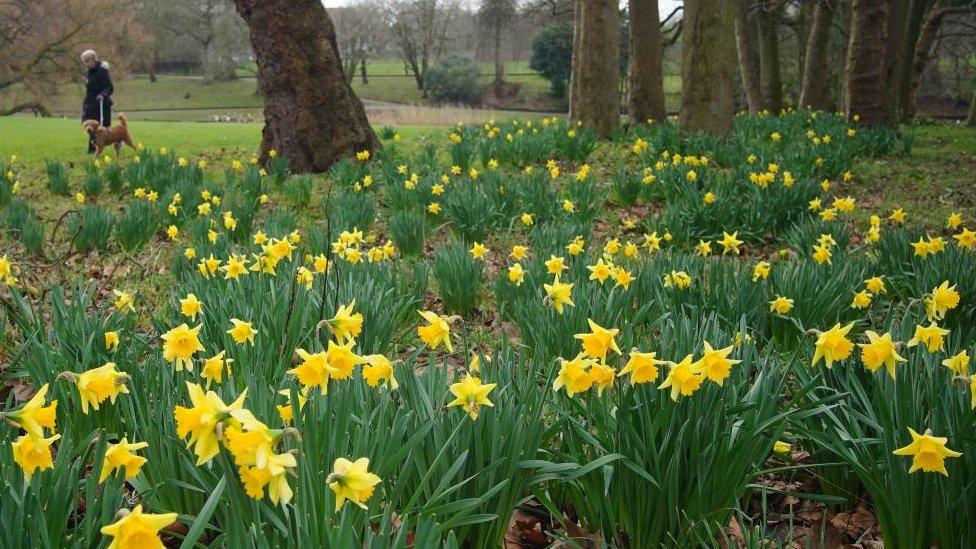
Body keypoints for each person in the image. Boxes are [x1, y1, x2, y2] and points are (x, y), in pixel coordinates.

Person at [81, 50, 114, 154]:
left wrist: (103, 94)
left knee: (100, 127)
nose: (86, 64)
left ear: (93, 60)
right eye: (84, 62)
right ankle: (92, 148)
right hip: (90, 103)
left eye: (87, 61)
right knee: (90, 126)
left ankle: (97, 147)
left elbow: (109, 87)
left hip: (101, 104)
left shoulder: (101, 71)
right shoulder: (89, 73)